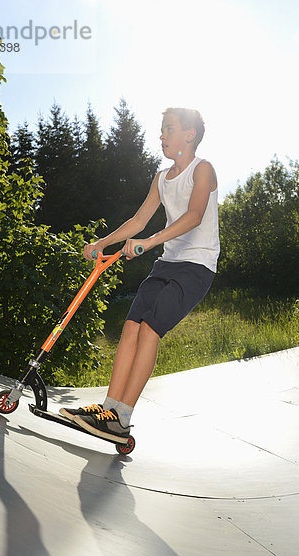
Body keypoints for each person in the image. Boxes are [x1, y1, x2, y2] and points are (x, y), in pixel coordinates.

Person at [60, 107, 220, 443]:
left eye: (169, 129)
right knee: (130, 326)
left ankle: (122, 418)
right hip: (168, 262)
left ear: (189, 134)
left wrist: (147, 243)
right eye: (161, 130)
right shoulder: (161, 178)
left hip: (197, 266)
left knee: (149, 330)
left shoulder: (202, 169)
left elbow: (193, 216)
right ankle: (108, 409)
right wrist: (100, 243)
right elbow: (138, 221)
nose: (161, 135)